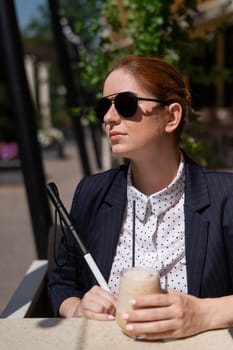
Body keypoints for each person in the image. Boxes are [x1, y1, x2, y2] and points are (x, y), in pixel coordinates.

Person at [48, 55, 233, 340]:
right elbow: (62, 279)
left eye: (125, 104)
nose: (109, 118)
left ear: (171, 116)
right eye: (103, 107)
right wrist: (76, 308)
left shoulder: (225, 197)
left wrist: (204, 313)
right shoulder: (93, 193)